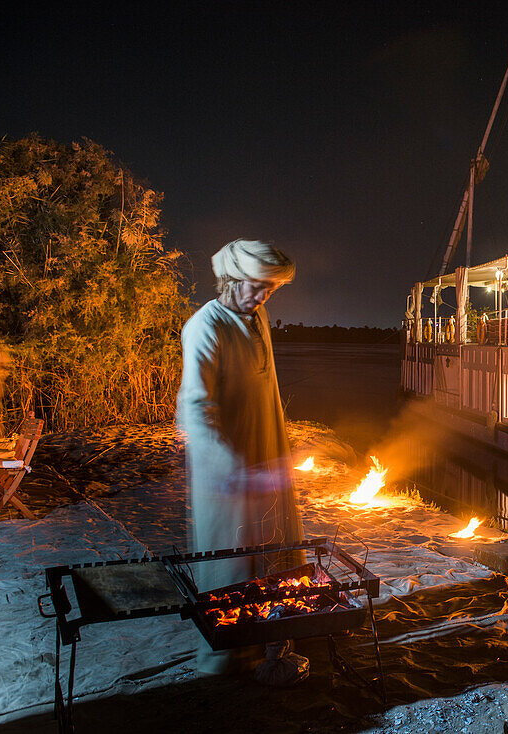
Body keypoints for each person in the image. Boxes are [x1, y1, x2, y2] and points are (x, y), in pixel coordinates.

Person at [177, 239, 308, 684]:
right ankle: (225, 660)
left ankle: (273, 643)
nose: (263, 296)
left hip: (268, 459)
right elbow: (194, 407)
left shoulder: (259, 318)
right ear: (231, 280)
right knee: (232, 564)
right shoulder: (204, 327)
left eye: (270, 289)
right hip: (229, 474)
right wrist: (232, 467)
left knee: (276, 557)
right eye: (257, 286)